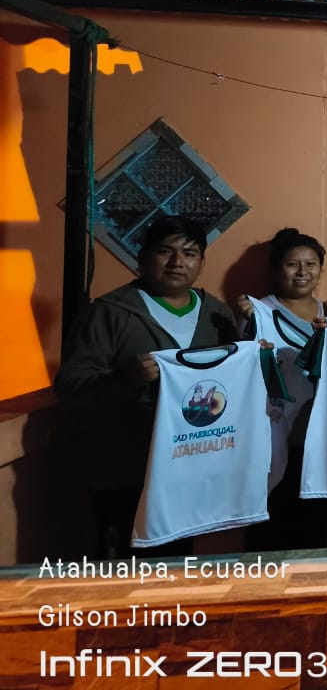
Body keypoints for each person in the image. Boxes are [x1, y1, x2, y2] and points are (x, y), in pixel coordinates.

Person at [56, 215, 239, 556]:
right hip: (126, 470)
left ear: (201, 262)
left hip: (190, 468)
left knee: (177, 564)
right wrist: (126, 378)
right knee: (125, 567)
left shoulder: (217, 315)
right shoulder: (109, 313)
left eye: (189, 253)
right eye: (165, 252)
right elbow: (70, 387)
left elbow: (234, 383)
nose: (177, 262)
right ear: (142, 257)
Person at [238, 227, 327, 550]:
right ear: (276, 270)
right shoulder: (256, 312)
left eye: (311, 264)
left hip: (314, 435)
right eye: (292, 264)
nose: (302, 272)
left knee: (312, 522)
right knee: (272, 520)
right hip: (272, 434)